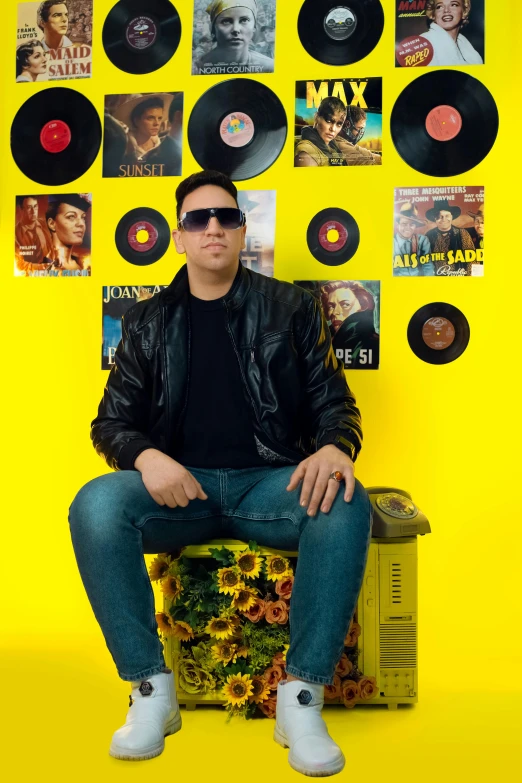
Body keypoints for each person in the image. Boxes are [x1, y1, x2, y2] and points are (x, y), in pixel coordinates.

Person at [68, 169, 372, 775]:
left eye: (226, 217)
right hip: (183, 493)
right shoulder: (148, 320)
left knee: (345, 498)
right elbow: (111, 422)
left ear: (240, 230)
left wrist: (338, 446)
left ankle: (301, 700)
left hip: (270, 486)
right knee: (95, 505)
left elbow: (336, 405)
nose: (213, 228)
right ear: (178, 237)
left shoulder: (291, 307)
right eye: (198, 219)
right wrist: (146, 457)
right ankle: (151, 692)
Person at [193, 0, 274, 73]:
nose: (236, 29)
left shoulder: (269, 67)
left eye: (244, 20)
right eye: (226, 21)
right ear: (213, 29)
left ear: (254, 27)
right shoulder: (197, 68)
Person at [326, 282, 380, 369]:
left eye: (345, 304)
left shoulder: (375, 344)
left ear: (363, 307)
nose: (335, 312)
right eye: (331, 306)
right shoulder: (322, 343)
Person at [420, 0, 483, 65]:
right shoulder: (423, 44)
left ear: (464, 12)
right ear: (433, 14)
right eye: (439, 7)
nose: (446, 10)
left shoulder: (467, 48)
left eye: (454, 5)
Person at [425, 199, 476, 275]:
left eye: (447, 216)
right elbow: (425, 262)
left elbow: (472, 260)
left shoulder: (462, 233)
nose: (444, 219)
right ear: (434, 218)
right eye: (439, 216)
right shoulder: (428, 236)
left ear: (452, 217)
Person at [43, 194, 91, 272]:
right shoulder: (41, 267)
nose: (81, 224)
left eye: (83, 218)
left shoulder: (85, 264)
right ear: (52, 224)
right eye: (71, 216)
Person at [294, 96, 347, 167]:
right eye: (328, 121)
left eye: (339, 124)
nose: (333, 129)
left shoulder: (333, 146)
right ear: (316, 117)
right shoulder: (307, 154)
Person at [393, 202, 435, 276]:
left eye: (412, 224)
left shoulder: (422, 240)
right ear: (397, 225)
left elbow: (428, 266)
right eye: (404, 224)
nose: (408, 228)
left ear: (415, 226)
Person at [15, 196, 53, 272]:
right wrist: (42, 267)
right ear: (22, 210)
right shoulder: (15, 233)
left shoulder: (45, 225)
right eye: (29, 207)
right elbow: (19, 265)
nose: (33, 211)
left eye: (35, 206)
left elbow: (52, 248)